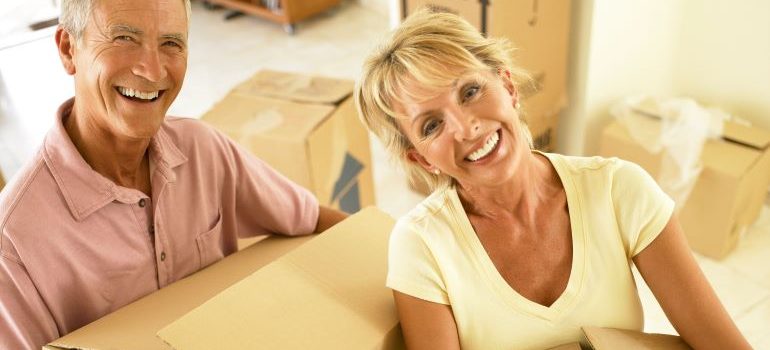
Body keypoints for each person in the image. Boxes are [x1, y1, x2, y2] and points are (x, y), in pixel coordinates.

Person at [355, 10, 751, 350]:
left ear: (508, 86)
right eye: (432, 124)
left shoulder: (618, 190)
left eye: (470, 91)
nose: (465, 127)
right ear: (420, 158)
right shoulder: (421, 245)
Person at [0, 0, 348, 348]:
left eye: (171, 43)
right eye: (123, 38)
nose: (152, 71)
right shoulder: (12, 242)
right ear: (68, 49)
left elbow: (314, 218)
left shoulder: (202, 148)